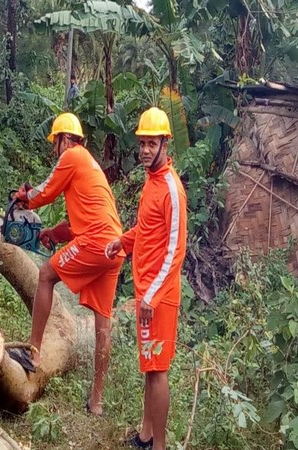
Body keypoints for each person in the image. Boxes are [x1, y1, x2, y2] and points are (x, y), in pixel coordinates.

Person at [14, 112, 125, 416]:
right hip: (114, 246)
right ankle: (97, 402)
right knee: (103, 321)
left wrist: (24, 197)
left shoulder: (72, 156)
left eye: (56, 142)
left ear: (64, 138)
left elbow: (45, 191)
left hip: (97, 240)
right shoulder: (89, 164)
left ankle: (33, 355)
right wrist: (53, 233)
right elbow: (79, 222)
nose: (55, 148)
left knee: (46, 275)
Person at [105, 107, 187, 450]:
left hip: (160, 296)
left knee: (158, 371)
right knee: (150, 368)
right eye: (142, 143)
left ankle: (160, 445)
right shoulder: (151, 182)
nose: (145, 150)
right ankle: (145, 435)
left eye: (152, 143)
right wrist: (122, 242)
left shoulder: (171, 188)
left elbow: (175, 248)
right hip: (147, 291)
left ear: (165, 144)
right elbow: (148, 230)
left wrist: (152, 295)